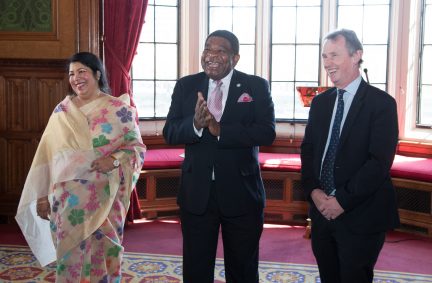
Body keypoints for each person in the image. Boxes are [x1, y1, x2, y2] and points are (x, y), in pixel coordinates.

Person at [15, 52, 146, 282]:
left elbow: (137, 149)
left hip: (105, 198)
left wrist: (113, 160)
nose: (76, 78)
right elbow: (47, 155)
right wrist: (43, 197)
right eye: (71, 74)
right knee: (70, 257)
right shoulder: (62, 112)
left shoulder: (119, 110)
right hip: (67, 200)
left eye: (82, 71)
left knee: (104, 253)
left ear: (97, 74)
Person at [163, 30, 275, 282]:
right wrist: (195, 124)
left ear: (235, 58)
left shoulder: (255, 86)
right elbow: (170, 131)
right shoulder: (186, 85)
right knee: (196, 268)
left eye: (220, 51)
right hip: (197, 194)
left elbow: (267, 132)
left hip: (242, 193)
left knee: (243, 268)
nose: (211, 55)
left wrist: (220, 129)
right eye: (207, 49)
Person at [301, 29, 400, 283]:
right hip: (322, 212)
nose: (327, 63)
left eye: (334, 55)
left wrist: (340, 200)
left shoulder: (382, 104)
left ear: (357, 55)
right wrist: (314, 192)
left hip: (361, 215)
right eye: (324, 56)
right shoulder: (320, 104)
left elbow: (378, 163)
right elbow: (308, 151)